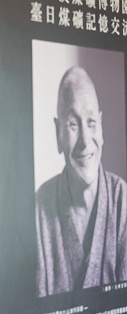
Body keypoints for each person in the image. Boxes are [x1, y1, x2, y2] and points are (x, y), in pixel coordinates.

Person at [37, 66, 127, 296]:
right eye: (73, 124)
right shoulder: (40, 207)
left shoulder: (122, 199)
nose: (86, 141)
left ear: (101, 127)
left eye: (91, 123)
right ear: (58, 133)